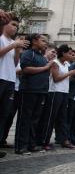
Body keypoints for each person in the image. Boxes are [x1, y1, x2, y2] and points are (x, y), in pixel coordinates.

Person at [36, 44, 75, 150]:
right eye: (69, 53)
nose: (71, 56)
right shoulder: (55, 63)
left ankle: (63, 140)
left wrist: (74, 76)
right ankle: (44, 140)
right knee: (51, 117)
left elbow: (65, 79)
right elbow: (56, 78)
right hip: (55, 92)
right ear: (63, 53)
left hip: (64, 92)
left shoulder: (66, 64)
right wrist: (71, 73)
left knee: (62, 118)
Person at [15, 34, 53, 155]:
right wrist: (45, 68)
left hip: (41, 91)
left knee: (35, 119)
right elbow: (25, 69)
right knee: (25, 118)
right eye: (43, 41)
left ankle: (31, 144)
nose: (45, 43)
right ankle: (21, 146)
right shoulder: (28, 53)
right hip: (29, 90)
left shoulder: (42, 56)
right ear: (34, 41)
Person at [0, 12, 29, 157]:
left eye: (17, 26)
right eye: (13, 24)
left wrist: (17, 50)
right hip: (1, 78)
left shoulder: (12, 43)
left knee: (4, 114)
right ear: (5, 24)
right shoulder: (1, 39)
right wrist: (14, 45)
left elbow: (15, 63)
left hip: (10, 80)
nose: (15, 28)